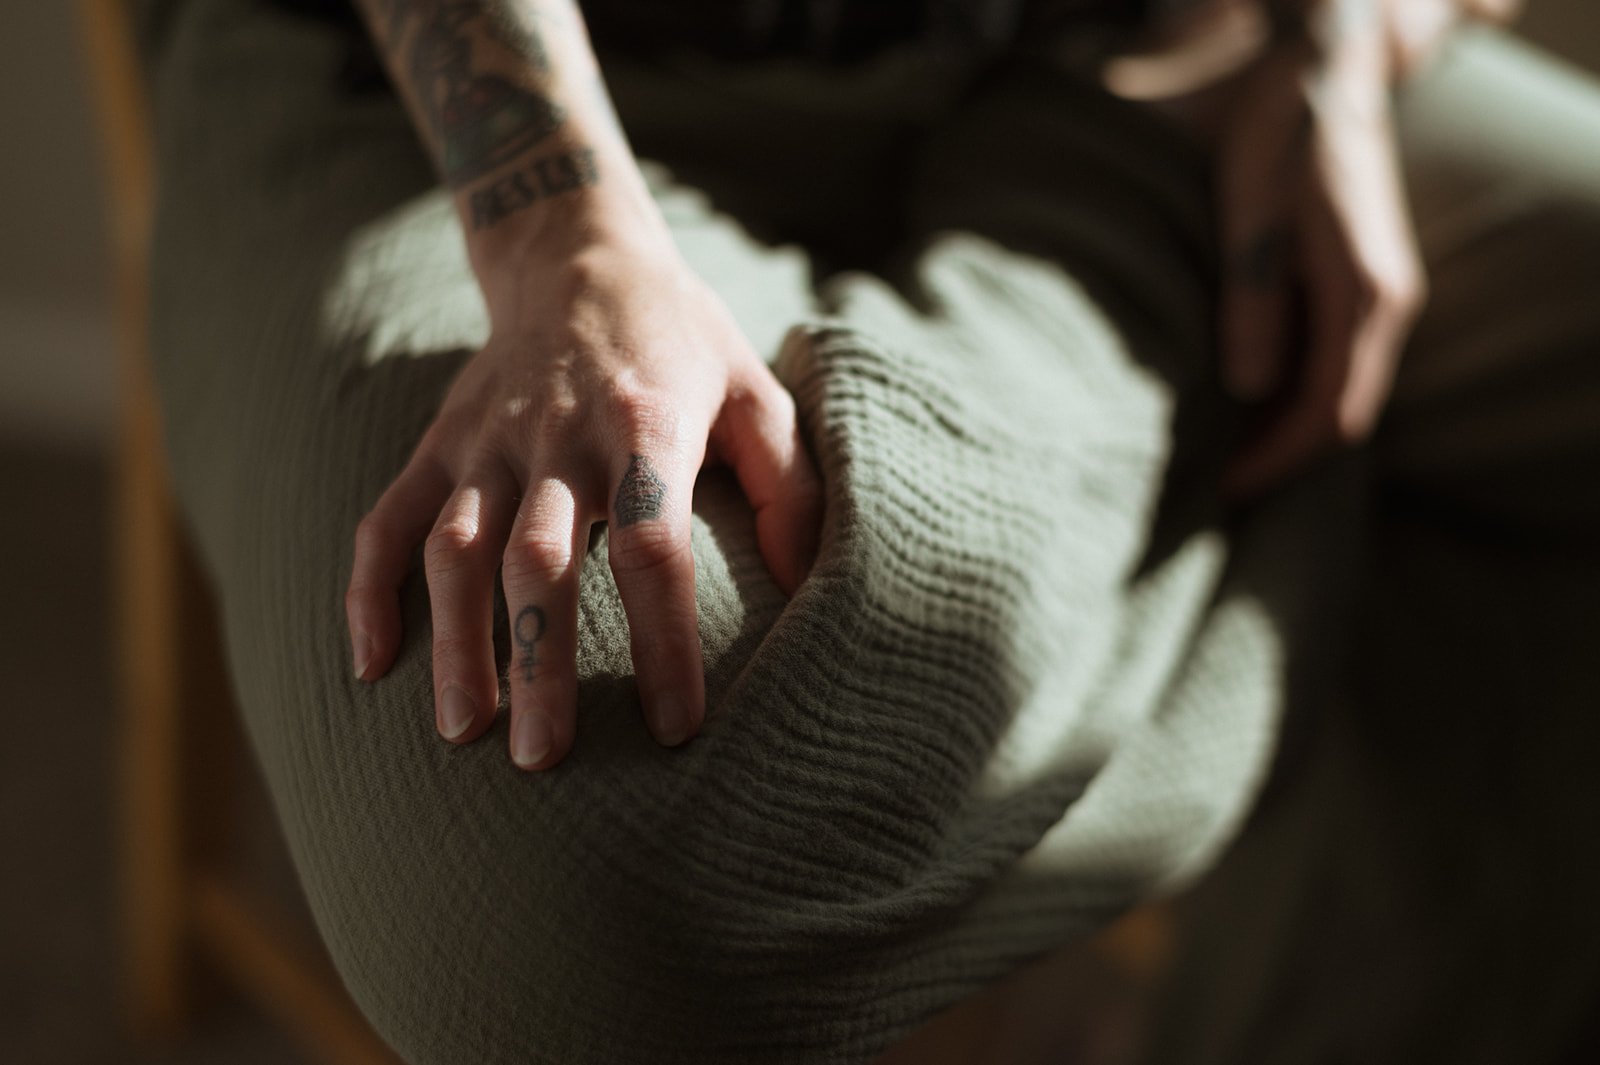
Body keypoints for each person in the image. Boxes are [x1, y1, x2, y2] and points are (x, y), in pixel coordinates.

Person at [145, 0, 1600, 1061]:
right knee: (568, 904)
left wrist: (1350, 36)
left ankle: (1107, 406)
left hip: (1144, 42)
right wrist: (559, 234)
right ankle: (1145, 326)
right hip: (471, 112)